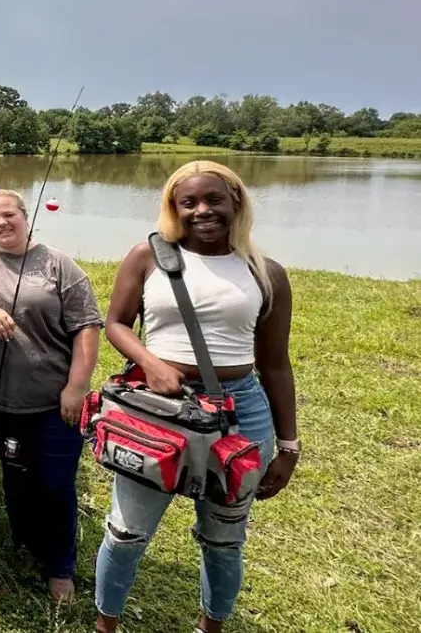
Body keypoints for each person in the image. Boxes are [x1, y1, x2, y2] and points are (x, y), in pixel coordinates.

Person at [93, 161, 299, 633]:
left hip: (238, 412)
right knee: (125, 533)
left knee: (224, 540)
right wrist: (150, 363)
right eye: (189, 202)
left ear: (236, 202)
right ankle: (106, 625)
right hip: (158, 409)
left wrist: (288, 446)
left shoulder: (266, 272)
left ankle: (211, 627)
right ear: (174, 208)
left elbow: (275, 364)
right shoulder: (148, 257)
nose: (202, 210)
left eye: (214, 200)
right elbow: (116, 323)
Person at [0, 190, 103, 603]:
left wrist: (76, 387)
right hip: (0, 402)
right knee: (17, 481)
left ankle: (61, 567)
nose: (1, 223)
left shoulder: (58, 265)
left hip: (54, 402)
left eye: (8, 215)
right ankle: (26, 545)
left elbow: (87, 327)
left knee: (56, 486)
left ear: (25, 217)